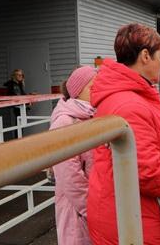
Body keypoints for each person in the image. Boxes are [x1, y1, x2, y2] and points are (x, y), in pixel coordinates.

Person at [87, 23, 160, 244]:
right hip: (138, 222)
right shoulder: (130, 103)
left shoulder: (126, 94)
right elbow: (148, 174)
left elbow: (142, 136)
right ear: (145, 56)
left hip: (126, 213)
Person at [49, 66, 97, 245]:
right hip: (77, 208)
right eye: (92, 87)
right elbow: (69, 176)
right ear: (77, 92)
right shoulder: (65, 121)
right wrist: (90, 209)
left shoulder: (92, 115)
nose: (97, 91)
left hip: (94, 203)